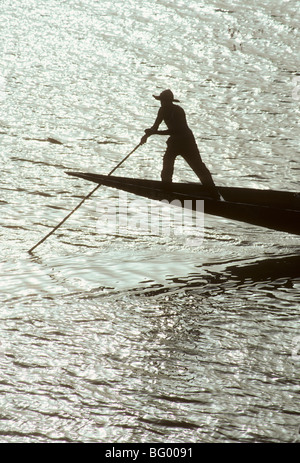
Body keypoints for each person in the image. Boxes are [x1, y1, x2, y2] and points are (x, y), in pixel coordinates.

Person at [141, 89, 220, 199]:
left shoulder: (178, 111)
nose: (162, 103)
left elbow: (175, 130)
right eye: (161, 101)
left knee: (198, 167)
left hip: (187, 142)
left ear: (169, 101)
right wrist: (146, 135)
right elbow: (155, 126)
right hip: (174, 142)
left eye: (163, 101)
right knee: (167, 164)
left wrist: (155, 133)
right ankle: (166, 190)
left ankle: (213, 192)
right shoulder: (162, 110)